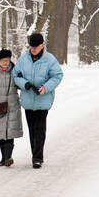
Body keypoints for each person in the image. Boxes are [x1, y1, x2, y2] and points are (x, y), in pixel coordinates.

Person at [13, 32, 63, 168]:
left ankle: (37, 158)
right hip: (28, 101)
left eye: (36, 46)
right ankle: (35, 154)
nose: (33, 49)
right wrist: (25, 84)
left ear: (42, 45)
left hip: (43, 100)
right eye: (31, 46)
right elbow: (15, 75)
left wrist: (46, 87)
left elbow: (57, 76)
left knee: (39, 130)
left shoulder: (49, 59)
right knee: (32, 130)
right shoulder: (23, 59)